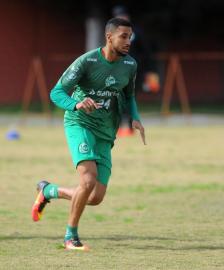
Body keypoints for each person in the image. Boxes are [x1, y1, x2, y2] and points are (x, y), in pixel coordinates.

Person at [31, 18, 146, 251]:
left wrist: (134, 117)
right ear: (109, 37)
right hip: (80, 123)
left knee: (95, 197)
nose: (128, 41)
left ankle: (48, 190)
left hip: (106, 131)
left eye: (130, 36)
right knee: (87, 180)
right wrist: (77, 104)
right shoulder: (87, 61)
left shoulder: (130, 65)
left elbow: (129, 95)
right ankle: (69, 237)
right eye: (123, 36)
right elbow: (57, 92)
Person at [112, 5, 160, 137]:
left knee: (130, 98)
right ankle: (120, 126)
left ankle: (129, 126)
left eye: (124, 16)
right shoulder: (112, 33)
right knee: (117, 98)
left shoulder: (136, 32)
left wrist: (151, 71)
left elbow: (146, 52)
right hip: (117, 71)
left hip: (134, 71)